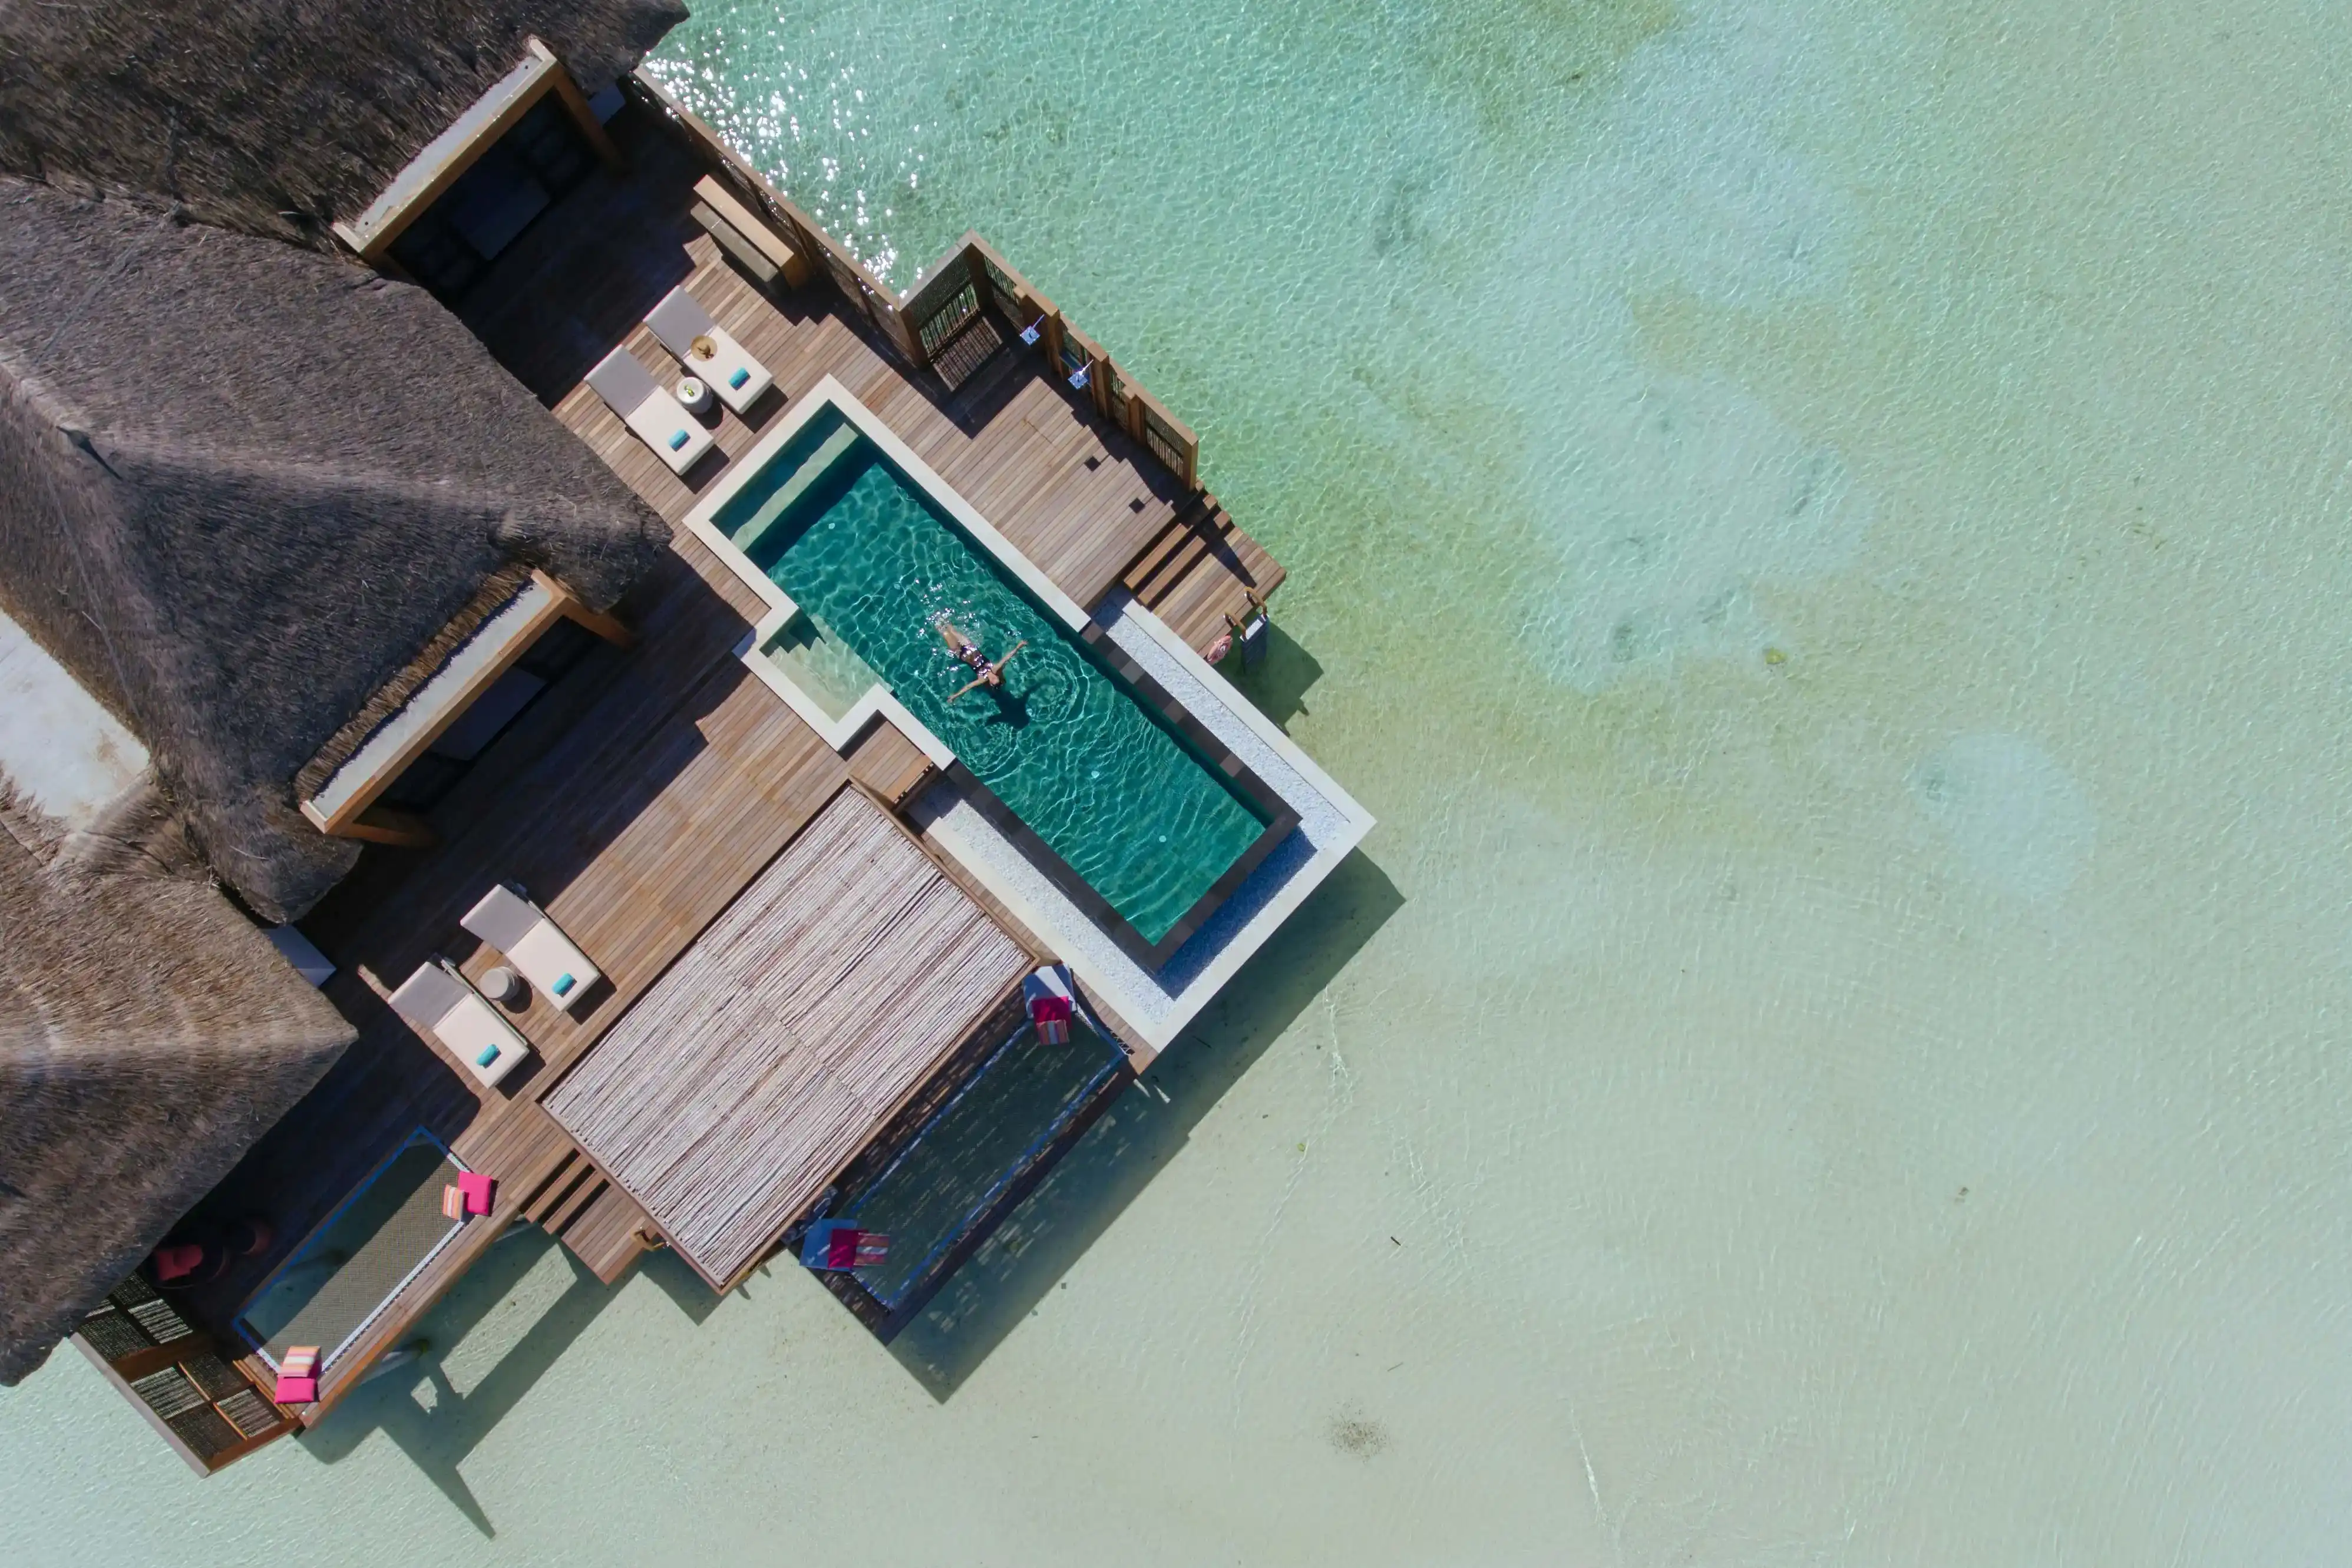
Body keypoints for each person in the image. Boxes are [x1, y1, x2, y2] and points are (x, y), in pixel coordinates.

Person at [934, 614, 1027, 700]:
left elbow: (969, 687)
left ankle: (936, 623)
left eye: (994, 682)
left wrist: (955, 696)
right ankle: (942, 616)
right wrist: (1018, 647)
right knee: (953, 631)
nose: (995, 680)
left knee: (945, 634)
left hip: (961, 654)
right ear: (998, 678)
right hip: (970, 647)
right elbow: (1007, 657)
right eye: (998, 680)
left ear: (990, 683)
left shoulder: (982, 679)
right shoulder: (995, 669)